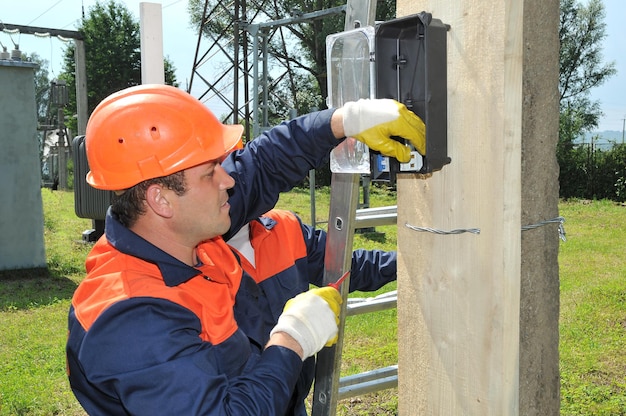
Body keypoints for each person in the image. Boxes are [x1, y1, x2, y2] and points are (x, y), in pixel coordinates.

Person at [66, 84, 424, 415]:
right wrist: (292, 338)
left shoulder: (184, 235)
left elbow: (264, 164)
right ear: (160, 199)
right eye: (210, 173)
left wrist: (343, 121)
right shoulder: (131, 318)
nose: (229, 180)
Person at [227, 208, 396, 415]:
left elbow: (351, 267)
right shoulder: (194, 258)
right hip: (245, 405)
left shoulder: (286, 227)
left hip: (294, 398)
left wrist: (406, 262)